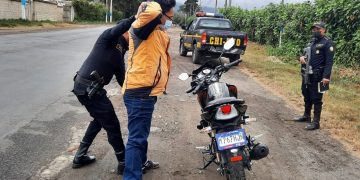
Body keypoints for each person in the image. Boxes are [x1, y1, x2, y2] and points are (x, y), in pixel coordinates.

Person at [71, 15, 135, 174]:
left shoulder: (120, 53)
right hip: (88, 88)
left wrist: (133, 95)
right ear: (125, 32)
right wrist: (136, 16)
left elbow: (123, 80)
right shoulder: (109, 38)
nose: (133, 36)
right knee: (112, 124)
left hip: (88, 88)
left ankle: (80, 156)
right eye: (132, 32)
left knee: (99, 120)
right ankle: (123, 162)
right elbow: (117, 30)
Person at [121, 0, 176, 179]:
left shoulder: (154, 31)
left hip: (146, 92)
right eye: (169, 16)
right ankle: (131, 177)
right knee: (136, 139)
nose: (169, 20)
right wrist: (154, 2)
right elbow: (151, 11)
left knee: (141, 135)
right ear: (161, 14)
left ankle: (142, 163)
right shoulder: (140, 25)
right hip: (140, 92)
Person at [293, 22, 335, 130]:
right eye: (314, 29)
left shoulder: (327, 43)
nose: (315, 31)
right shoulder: (311, 42)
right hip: (308, 74)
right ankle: (306, 116)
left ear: (324, 30)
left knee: (317, 98)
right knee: (306, 94)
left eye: (318, 29)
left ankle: (316, 122)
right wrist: (301, 58)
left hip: (319, 76)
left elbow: (329, 62)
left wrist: (326, 77)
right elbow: (306, 56)